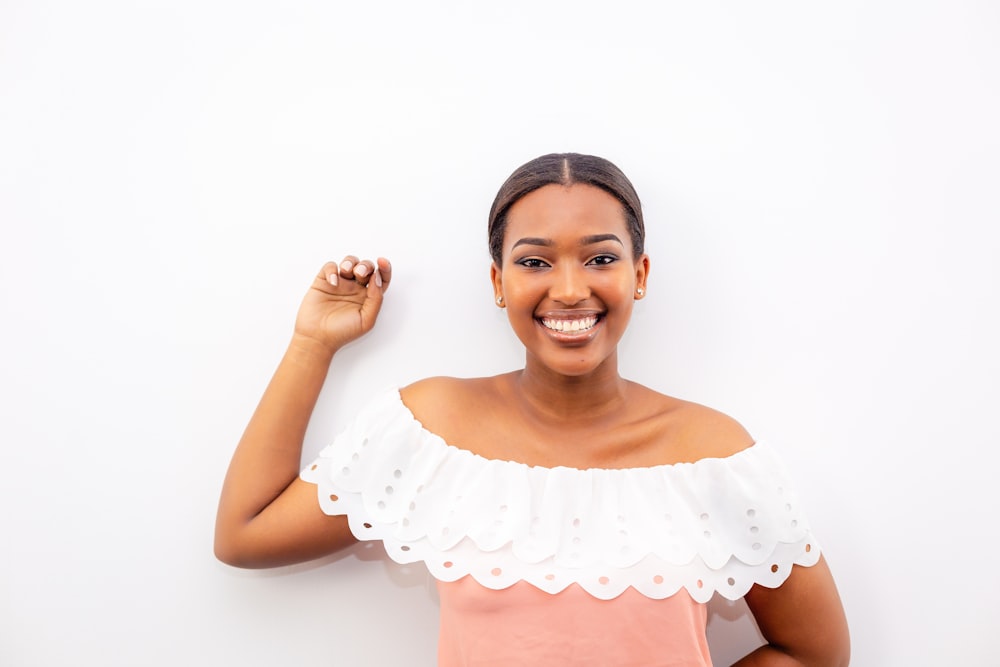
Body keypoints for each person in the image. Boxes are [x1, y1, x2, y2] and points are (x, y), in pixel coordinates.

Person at [215, 153, 850, 666]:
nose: (570, 288)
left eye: (601, 258)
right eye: (534, 262)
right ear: (498, 282)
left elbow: (816, 651)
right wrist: (312, 343)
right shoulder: (432, 427)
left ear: (640, 274)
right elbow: (245, 534)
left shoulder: (715, 454)